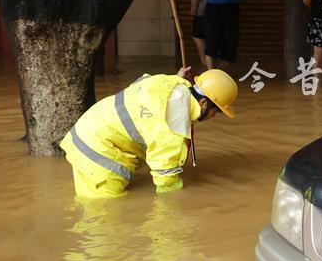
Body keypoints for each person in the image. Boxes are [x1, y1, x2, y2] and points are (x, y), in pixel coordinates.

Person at [60, 66, 238, 199]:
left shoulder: (169, 83)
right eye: (217, 111)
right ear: (204, 103)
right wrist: (180, 204)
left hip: (89, 130)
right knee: (103, 214)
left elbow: (141, 83)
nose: (214, 117)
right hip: (100, 154)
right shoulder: (174, 122)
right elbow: (165, 177)